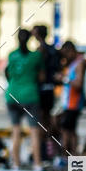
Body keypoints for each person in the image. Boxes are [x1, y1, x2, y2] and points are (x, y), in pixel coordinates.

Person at [5, 28, 44, 170]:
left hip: (12, 95)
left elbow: (9, 74)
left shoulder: (11, 55)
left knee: (16, 131)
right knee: (34, 131)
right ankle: (37, 164)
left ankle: (16, 164)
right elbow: (41, 77)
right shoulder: (36, 56)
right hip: (30, 95)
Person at [32, 24, 59, 160]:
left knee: (41, 121)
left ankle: (43, 151)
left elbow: (39, 72)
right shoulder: (53, 49)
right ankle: (50, 149)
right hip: (50, 89)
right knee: (47, 120)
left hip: (42, 90)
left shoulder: (40, 50)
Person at [58, 41, 86, 157]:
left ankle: (68, 156)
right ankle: (74, 156)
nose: (65, 57)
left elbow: (79, 84)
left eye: (66, 54)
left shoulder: (79, 64)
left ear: (71, 51)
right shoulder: (72, 63)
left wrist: (64, 78)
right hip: (68, 103)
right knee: (71, 131)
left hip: (73, 103)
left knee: (66, 131)